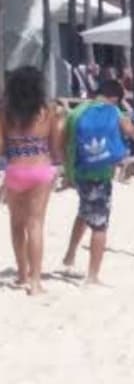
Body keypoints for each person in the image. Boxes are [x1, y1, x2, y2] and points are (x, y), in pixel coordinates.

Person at [62, 80, 134, 284]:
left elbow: (66, 144)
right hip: (101, 174)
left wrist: (68, 174)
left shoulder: (75, 113)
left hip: (79, 173)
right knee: (100, 225)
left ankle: (70, 254)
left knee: (84, 211)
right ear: (114, 98)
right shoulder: (113, 111)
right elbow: (132, 132)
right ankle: (93, 276)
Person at [0, 67, 59, 295]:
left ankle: (21, 274)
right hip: (40, 170)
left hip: (16, 170)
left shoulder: (5, 112)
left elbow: (1, 148)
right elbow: (54, 146)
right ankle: (35, 282)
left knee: (17, 225)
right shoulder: (48, 110)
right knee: (36, 225)